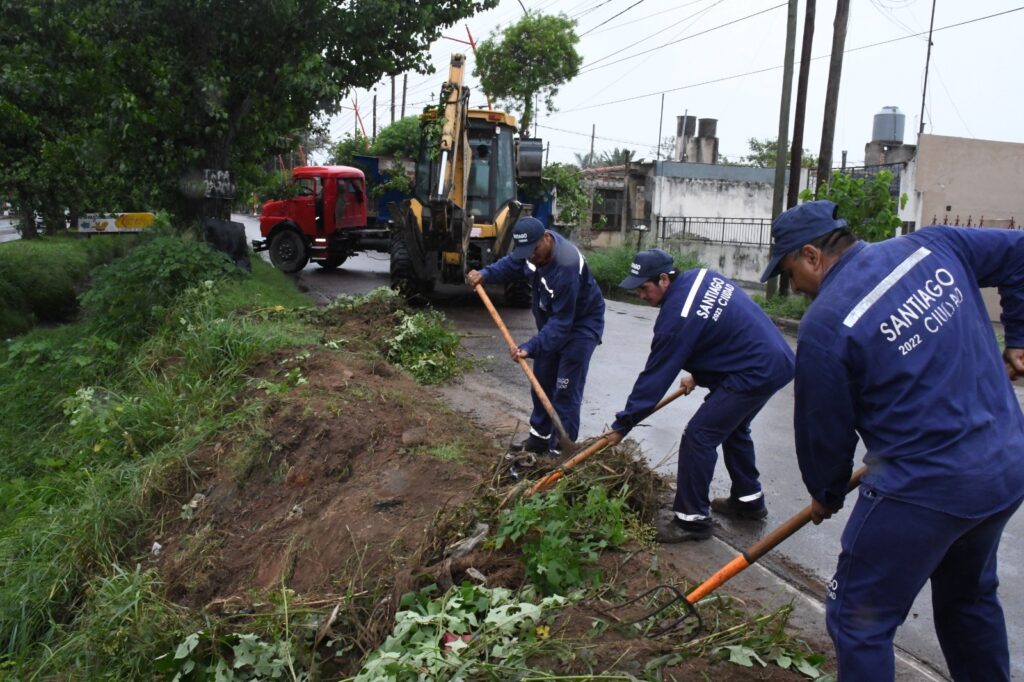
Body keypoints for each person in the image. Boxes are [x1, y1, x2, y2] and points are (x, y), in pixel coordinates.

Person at [763, 199, 1024, 681]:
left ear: (812, 255)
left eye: (788, 271)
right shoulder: (935, 245)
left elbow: (824, 432)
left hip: (926, 490)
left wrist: (826, 494)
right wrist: (1020, 338)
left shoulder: (826, 325)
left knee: (858, 619)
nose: (793, 287)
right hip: (1006, 466)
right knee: (968, 600)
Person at [604, 249, 794, 542]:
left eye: (644, 287)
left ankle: (691, 520)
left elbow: (655, 377)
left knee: (699, 435)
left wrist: (623, 424)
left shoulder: (675, 317)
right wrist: (700, 375)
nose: (641, 295)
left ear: (664, 279)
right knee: (734, 428)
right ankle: (749, 501)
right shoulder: (701, 276)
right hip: (775, 360)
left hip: (754, 371)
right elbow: (721, 331)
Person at [467, 216, 605, 456]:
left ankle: (560, 450)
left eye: (534, 250)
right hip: (554, 323)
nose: (531, 256)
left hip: (581, 326)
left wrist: (531, 346)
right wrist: (485, 274)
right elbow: (511, 264)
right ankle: (539, 439)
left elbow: (563, 322)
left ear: (547, 238)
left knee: (565, 389)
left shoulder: (567, 265)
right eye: (526, 252)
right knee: (541, 379)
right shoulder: (530, 252)